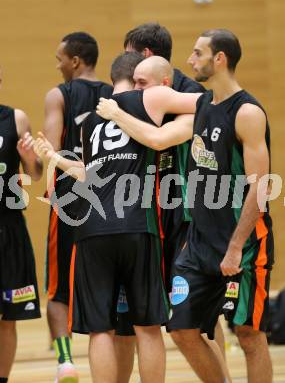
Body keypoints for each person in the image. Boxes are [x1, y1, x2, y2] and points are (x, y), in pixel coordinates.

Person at [34, 51, 200, 383]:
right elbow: (205, 103)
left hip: (92, 230)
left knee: (100, 330)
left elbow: (88, 174)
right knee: (148, 327)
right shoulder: (148, 99)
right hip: (138, 225)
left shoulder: (90, 120)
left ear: (111, 80)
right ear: (137, 78)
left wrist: (54, 157)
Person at [96, 55, 231, 383]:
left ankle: (222, 377)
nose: (135, 89)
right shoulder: (144, 107)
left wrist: (115, 112)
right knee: (129, 322)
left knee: (195, 316)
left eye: (140, 82)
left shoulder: (188, 108)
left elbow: (157, 140)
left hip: (182, 220)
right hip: (142, 221)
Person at [168, 29, 273, 383]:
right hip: (198, 244)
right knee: (181, 329)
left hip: (242, 246)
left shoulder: (247, 113)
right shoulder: (201, 105)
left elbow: (259, 189)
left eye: (197, 53)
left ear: (220, 59)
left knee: (248, 335)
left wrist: (235, 246)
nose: (190, 60)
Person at [43, 31, 113, 382]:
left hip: (70, 198)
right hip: (113, 199)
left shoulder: (59, 95)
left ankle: (66, 361)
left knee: (58, 288)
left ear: (75, 60)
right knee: (111, 281)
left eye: (60, 59)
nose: (57, 65)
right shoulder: (116, 94)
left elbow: (53, 153)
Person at [0, 67, 42, 382]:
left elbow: (36, 173)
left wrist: (28, 158)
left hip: (8, 227)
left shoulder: (15, 118)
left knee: (8, 317)